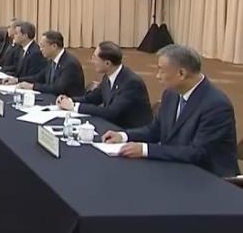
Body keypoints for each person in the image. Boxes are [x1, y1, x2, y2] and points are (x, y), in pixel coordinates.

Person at [102, 44, 239, 177]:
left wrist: (145, 149)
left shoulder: (216, 105)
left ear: (181, 73)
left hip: (210, 177)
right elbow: (154, 130)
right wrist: (124, 136)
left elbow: (197, 152)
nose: (158, 76)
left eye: (161, 70)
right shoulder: (171, 94)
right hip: (177, 167)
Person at [56, 41, 152, 128]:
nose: (92, 61)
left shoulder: (131, 83)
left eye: (95, 58)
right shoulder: (108, 76)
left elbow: (111, 112)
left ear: (107, 63)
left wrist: (75, 106)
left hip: (131, 132)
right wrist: (68, 100)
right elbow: (91, 99)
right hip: (113, 126)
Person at [7, 30, 85, 97]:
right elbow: (39, 77)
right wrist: (17, 80)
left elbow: (57, 88)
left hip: (68, 103)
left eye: (43, 46)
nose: (40, 49)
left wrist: (32, 86)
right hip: (52, 99)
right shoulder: (51, 60)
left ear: (54, 46)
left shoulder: (70, 64)